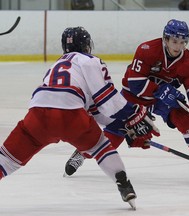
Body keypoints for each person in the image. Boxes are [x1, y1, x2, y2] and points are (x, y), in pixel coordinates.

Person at [0, 26, 160, 210]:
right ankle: (124, 184)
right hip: (71, 116)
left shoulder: (56, 64)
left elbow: (94, 108)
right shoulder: (90, 61)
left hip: (37, 115)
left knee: (7, 159)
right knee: (100, 147)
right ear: (86, 44)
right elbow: (105, 98)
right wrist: (131, 115)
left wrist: (123, 124)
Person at [65, 19, 189, 183]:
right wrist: (159, 90)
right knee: (116, 133)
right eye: (175, 41)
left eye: (183, 42)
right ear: (165, 39)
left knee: (188, 121)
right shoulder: (147, 50)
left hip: (163, 101)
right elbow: (135, 82)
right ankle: (82, 153)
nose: (178, 47)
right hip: (134, 96)